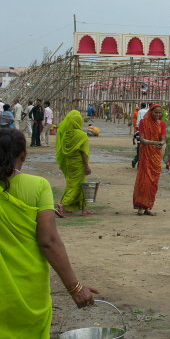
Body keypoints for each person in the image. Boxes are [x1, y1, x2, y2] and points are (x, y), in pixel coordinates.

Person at [0, 129, 98, 337]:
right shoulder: (38, 187)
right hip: (28, 288)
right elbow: (49, 241)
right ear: (23, 155)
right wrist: (75, 287)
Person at [55, 111, 92, 216]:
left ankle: (84, 208)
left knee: (72, 184)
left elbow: (62, 149)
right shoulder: (82, 135)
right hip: (79, 164)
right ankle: (62, 204)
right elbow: (84, 153)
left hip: (69, 163)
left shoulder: (66, 135)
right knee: (77, 185)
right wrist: (86, 165)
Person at [133, 104, 166, 216]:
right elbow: (141, 139)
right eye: (155, 112)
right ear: (150, 112)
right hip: (146, 155)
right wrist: (154, 143)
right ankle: (140, 207)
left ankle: (147, 207)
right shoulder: (143, 122)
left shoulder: (162, 124)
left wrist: (161, 143)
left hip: (156, 156)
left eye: (159, 113)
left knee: (153, 183)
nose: (157, 115)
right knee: (145, 181)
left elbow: (163, 139)